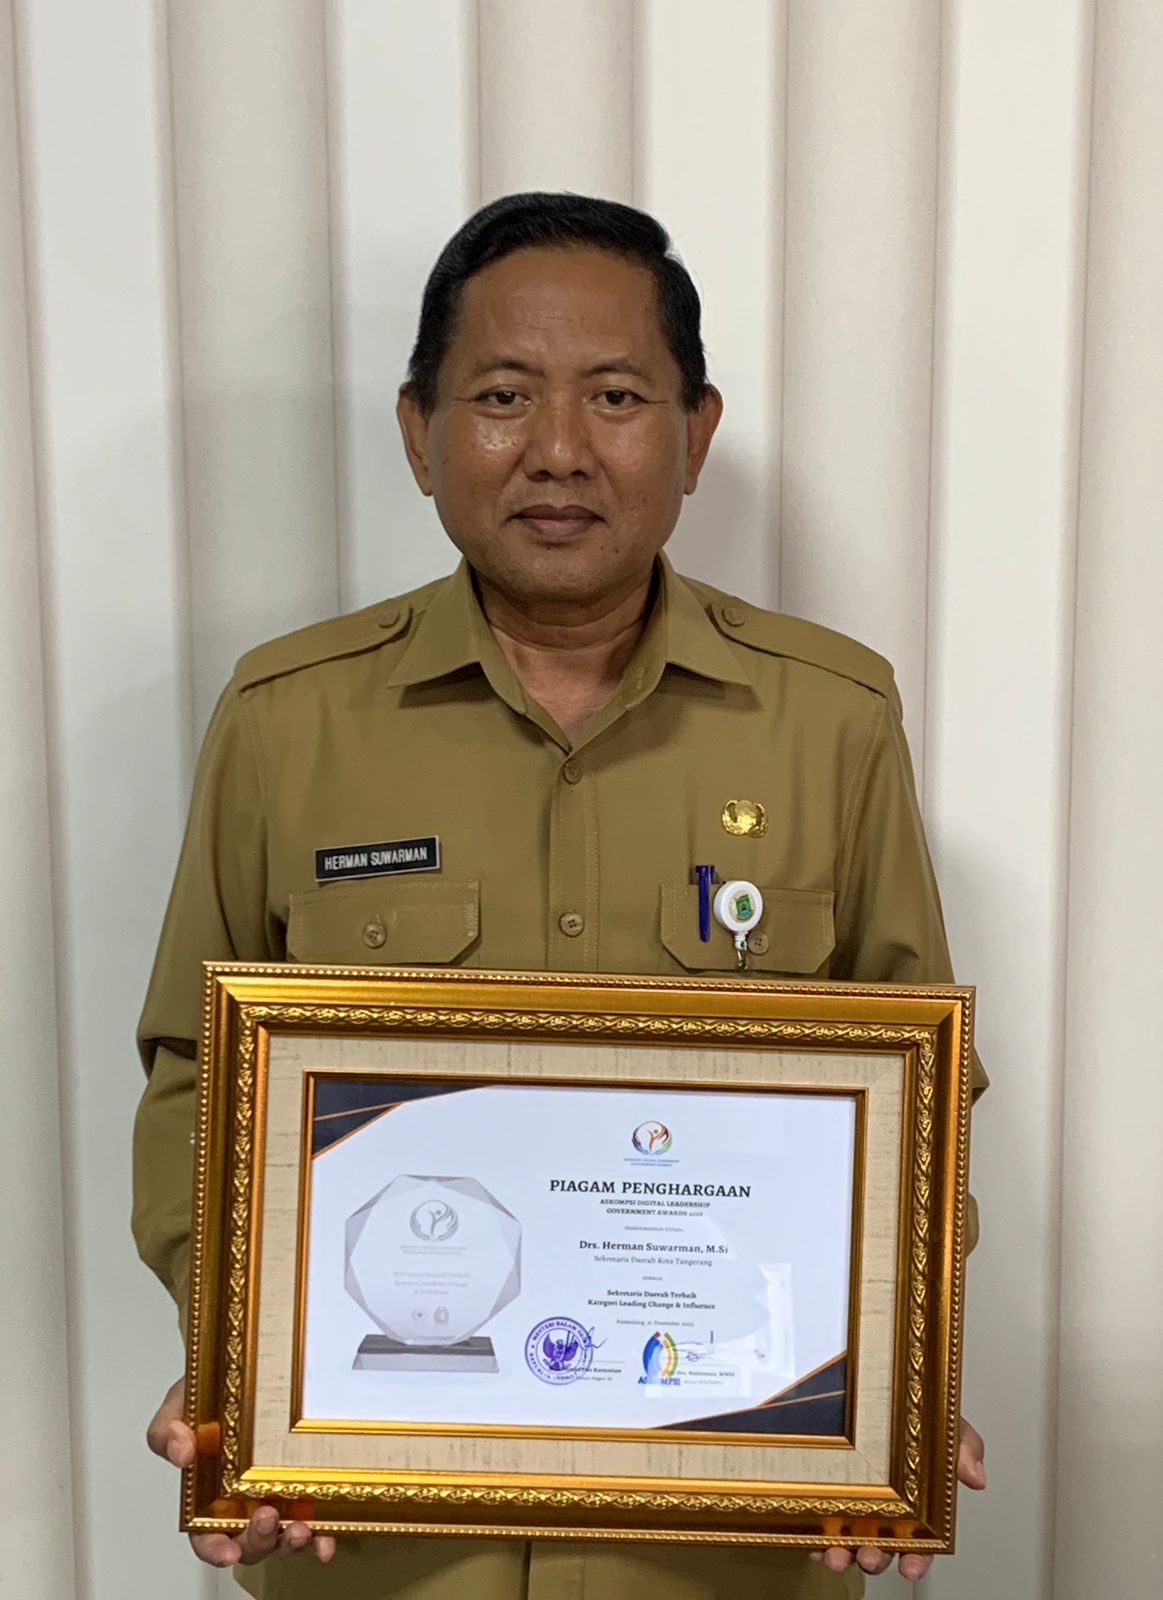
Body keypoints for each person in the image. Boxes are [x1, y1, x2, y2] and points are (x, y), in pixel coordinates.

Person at [136, 192, 986, 1599]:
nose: (560, 448)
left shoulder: (832, 719)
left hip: (724, 1538)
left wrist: (888, 1383)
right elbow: (193, 1071)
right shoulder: (288, 720)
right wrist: (239, 1357)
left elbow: (920, 1096)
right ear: (417, 433)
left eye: (616, 395)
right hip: (385, 1533)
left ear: (695, 433)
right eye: (502, 395)